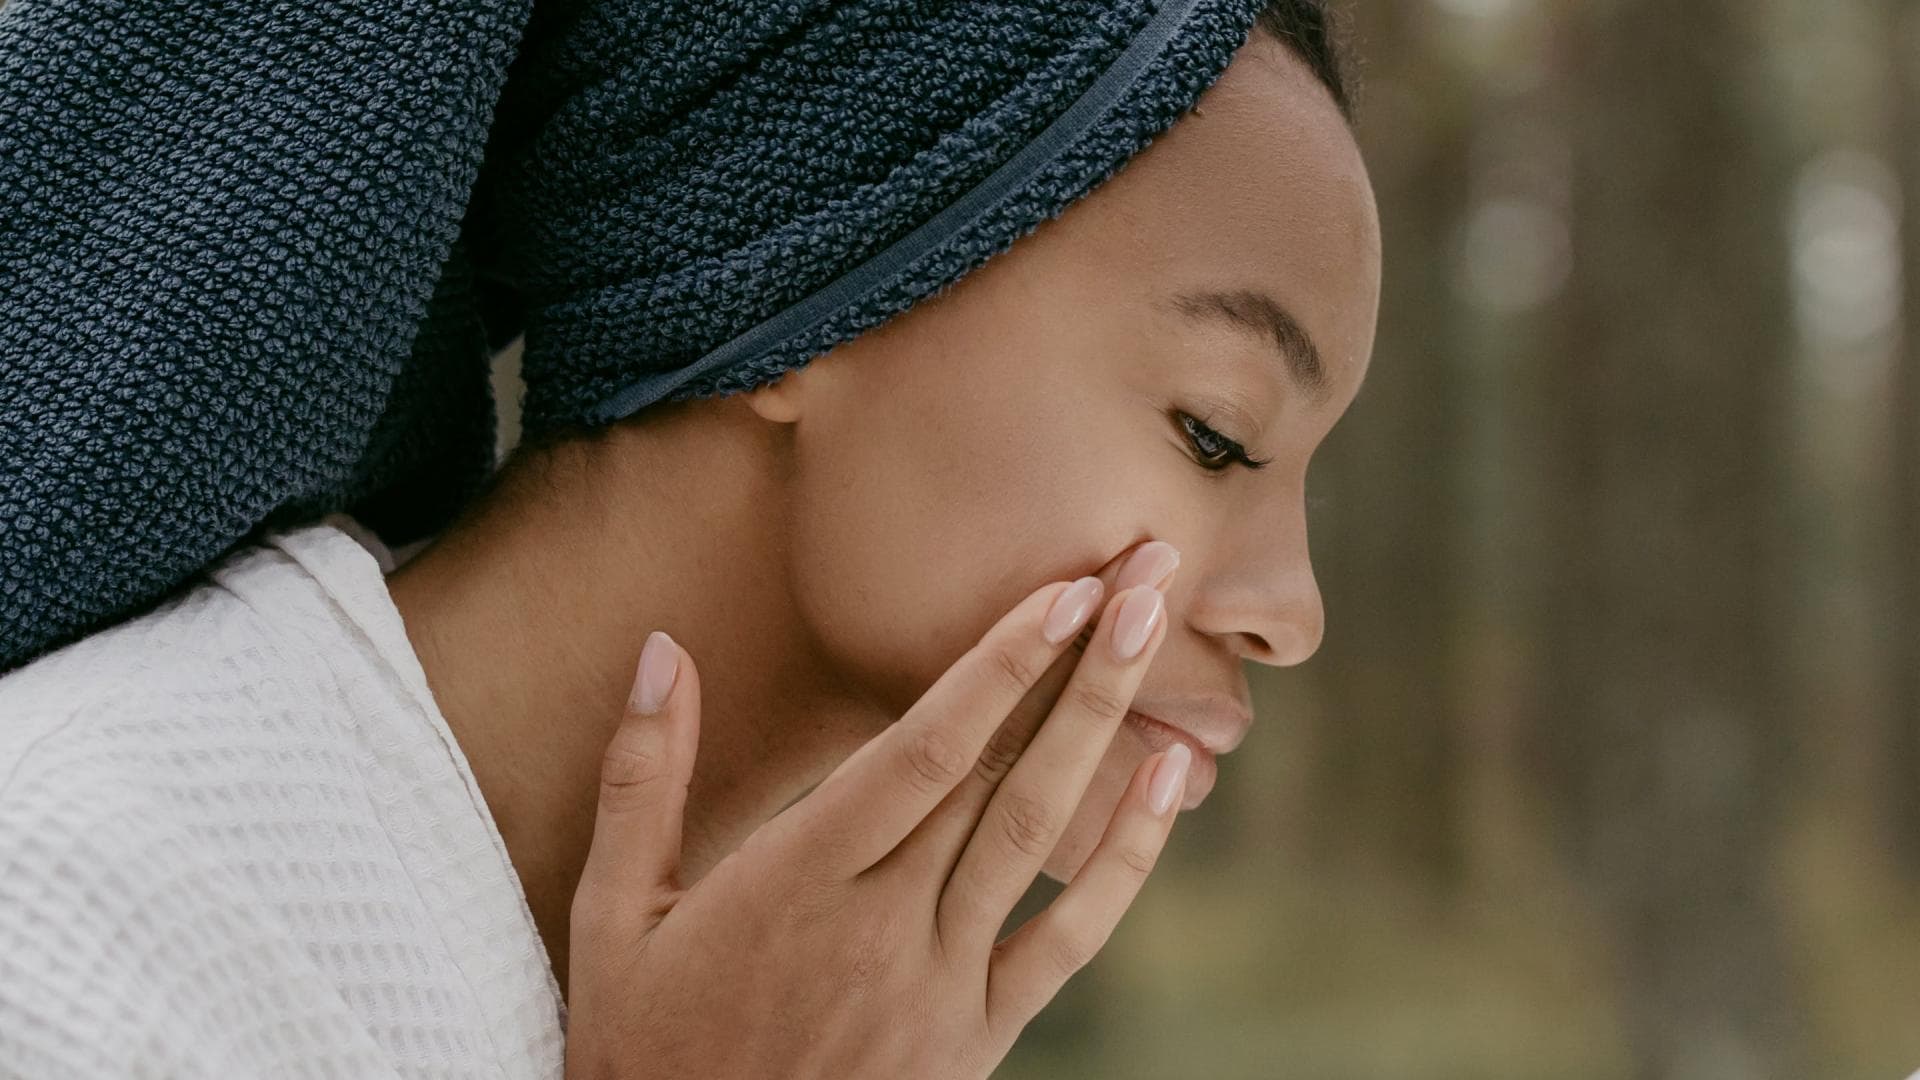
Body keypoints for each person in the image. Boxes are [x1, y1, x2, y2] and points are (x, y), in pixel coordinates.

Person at [0, 0, 1378, 1076]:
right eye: (1216, 433)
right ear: (819, 281)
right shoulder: (63, 931)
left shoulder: (807, 1025)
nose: (1292, 614)